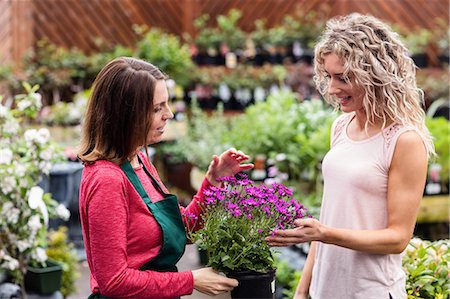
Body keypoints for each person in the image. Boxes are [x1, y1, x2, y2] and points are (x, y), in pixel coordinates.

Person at [266, 13, 435, 299]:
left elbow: (397, 238)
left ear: (375, 74)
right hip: (326, 288)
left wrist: (324, 233)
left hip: (370, 291)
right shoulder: (342, 126)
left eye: (343, 77)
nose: (332, 89)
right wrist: (303, 289)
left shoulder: (404, 141)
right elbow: (328, 216)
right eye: (329, 76)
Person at [78, 57, 253, 298]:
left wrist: (213, 181)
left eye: (167, 104)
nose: (168, 114)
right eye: (156, 108)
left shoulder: (139, 160)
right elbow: (114, 281)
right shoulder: (107, 180)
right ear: (124, 115)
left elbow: (183, 231)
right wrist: (190, 280)